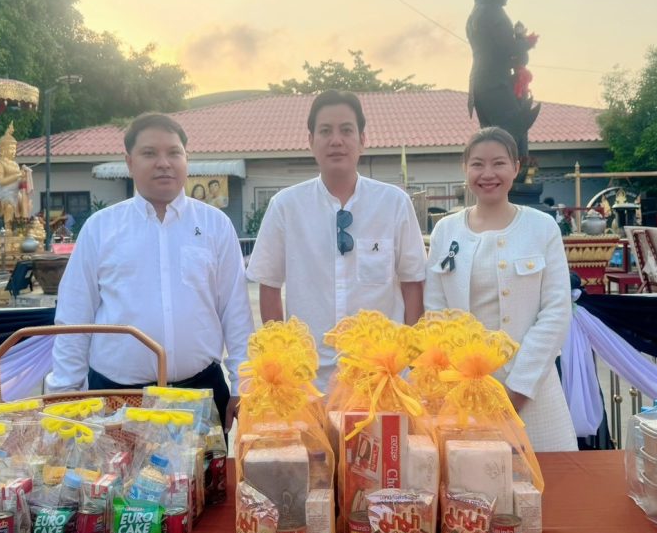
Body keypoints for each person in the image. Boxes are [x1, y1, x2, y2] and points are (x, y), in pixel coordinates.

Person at [45, 112, 254, 429]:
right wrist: (64, 394)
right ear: (129, 162)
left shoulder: (215, 225)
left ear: (186, 159)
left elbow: (236, 312)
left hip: (200, 394)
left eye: (174, 152)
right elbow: (75, 315)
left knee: (206, 466)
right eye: (149, 153)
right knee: (115, 465)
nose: (164, 163)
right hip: (117, 397)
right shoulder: (101, 228)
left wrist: (243, 385)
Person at [247, 90, 427, 391]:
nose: (336, 140)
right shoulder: (286, 206)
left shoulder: (394, 203)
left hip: (382, 378)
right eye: (325, 131)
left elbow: (413, 284)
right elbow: (269, 286)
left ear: (362, 140)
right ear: (310, 141)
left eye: (346, 130)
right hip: (309, 380)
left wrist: (409, 361)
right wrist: (282, 362)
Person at [424, 126, 577, 452]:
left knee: (549, 478)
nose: (488, 174)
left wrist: (517, 391)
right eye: (477, 164)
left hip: (533, 392)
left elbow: (556, 311)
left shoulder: (541, 227)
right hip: (464, 395)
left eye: (499, 163)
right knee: (469, 477)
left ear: (516, 167)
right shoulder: (445, 232)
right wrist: (458, 382)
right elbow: (435, 314)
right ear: (465, 168)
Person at [0, 123, 33, 231]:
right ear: (3, 149)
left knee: (26, 204)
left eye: (14, 148)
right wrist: (17, 175)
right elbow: (1, 181)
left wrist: (24, 177)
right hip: (5, 193)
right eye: (11, 148)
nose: (13, 151)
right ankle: (8, 229)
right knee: (9, 206)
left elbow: (19, 181)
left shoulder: (15, 164)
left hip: (16, 193)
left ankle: (21, 227)